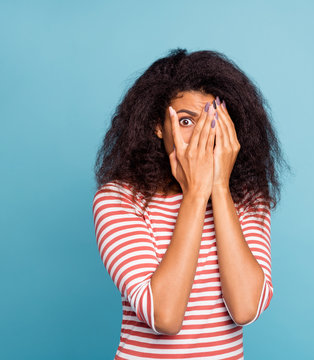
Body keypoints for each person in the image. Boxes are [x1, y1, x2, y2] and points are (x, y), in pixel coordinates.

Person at [92, 48, 288, 359]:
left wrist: (220, 189)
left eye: (213, 122)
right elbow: (164, 315)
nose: (200, 135)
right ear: (158, 125)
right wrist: (196, 194)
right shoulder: (119, 199)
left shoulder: (248, 198)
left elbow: (246, 308)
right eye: (185, 121)